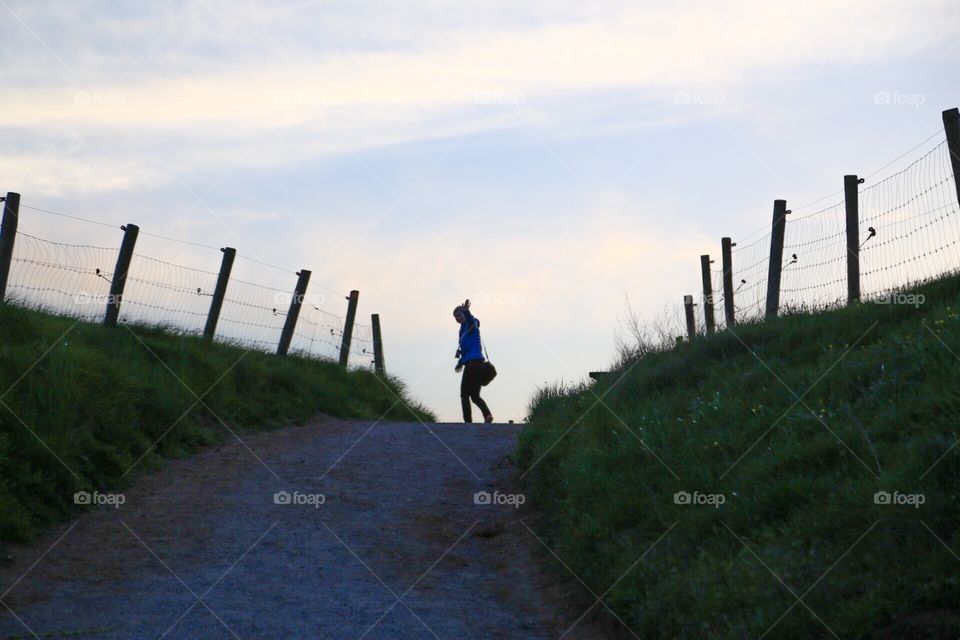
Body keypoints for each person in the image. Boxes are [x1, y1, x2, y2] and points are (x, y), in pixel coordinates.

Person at [453, 299, 493, 424]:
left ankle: (468, 423)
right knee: (475, 396)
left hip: (473, 365)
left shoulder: (472, 323)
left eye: (459, 315)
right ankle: (487, 415)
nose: (457, 318)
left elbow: (471, 321)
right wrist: (460, 362)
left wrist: (467, 311)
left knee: (464, 394)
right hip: (473, 363)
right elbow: (466, 351)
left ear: (464, 314)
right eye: (455, 316)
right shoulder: (462, 331)